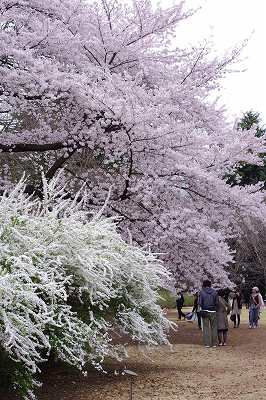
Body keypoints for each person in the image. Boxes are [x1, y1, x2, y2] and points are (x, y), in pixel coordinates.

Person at [199, 280, 218, 348]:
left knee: (206, 327)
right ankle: (214, 343)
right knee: (214, 327)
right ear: (210, 285)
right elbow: (217, 302)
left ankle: (207, 343)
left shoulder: (201, 292)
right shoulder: (215, 292)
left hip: (205, 311)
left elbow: (200, 303)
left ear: (204, 285)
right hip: (213, 311)